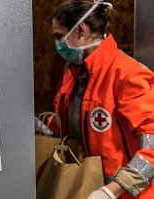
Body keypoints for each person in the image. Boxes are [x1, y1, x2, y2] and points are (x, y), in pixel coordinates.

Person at [47, 0, 154, 198]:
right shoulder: (74, 73)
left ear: (80, 30)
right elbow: (66, 125)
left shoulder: (128, 75)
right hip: (86, 186)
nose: (58, 45)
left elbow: (152, 147)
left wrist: (111, 191)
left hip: (127, 194)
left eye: (60, 37)